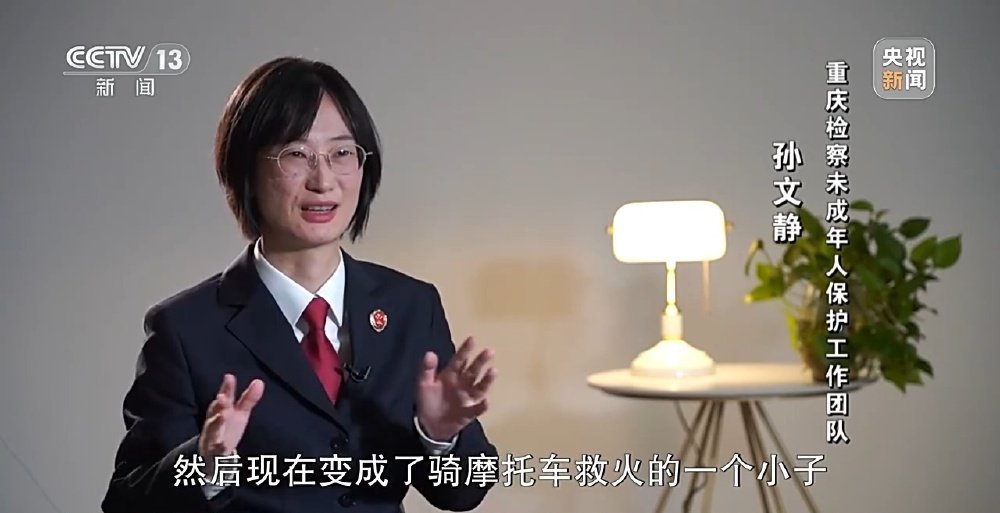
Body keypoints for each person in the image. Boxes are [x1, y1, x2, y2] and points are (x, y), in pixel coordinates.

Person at [101, 56, 499, 513]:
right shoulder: (187, 330)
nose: (323, 180)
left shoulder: (410, 307)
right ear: (246, 169)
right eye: (296, 154)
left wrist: (439, 436)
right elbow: (126, 504)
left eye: (342, 153)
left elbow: (464, 491)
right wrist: (206, 464)